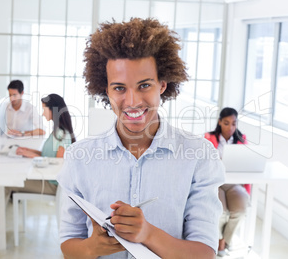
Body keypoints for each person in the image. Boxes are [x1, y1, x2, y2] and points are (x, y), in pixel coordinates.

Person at [57, 18, 225, 258]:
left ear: (162, 85)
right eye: (119, 88)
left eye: (144, 85)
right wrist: (91, 247)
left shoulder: (199, 156)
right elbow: (68, 246)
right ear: (106, 91)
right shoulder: (79, 158)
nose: (133, 101)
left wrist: (148, 234)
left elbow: (204, 253)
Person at [0, 93, 75, 240]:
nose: (42, 112)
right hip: (46, 181)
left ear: (53, 110)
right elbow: (48, 154)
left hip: (51, 185)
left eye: (44, 109)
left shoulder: (62, 134)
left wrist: (32, 156)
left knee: (4, 184)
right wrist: (28, 151)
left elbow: (57, 165)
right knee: (4, 182)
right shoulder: (57, 132)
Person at [204, 107, 250, 257]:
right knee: (221, 212)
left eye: (233, 124)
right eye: (226, 123)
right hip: (215, 183)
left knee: (241, 210)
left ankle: (225, 240)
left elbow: (246, 167)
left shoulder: (242, 140)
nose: (230, 127)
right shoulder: (208, 137)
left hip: (234, 184)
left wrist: (246, 191)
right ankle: (218, 241)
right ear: (219, 122)